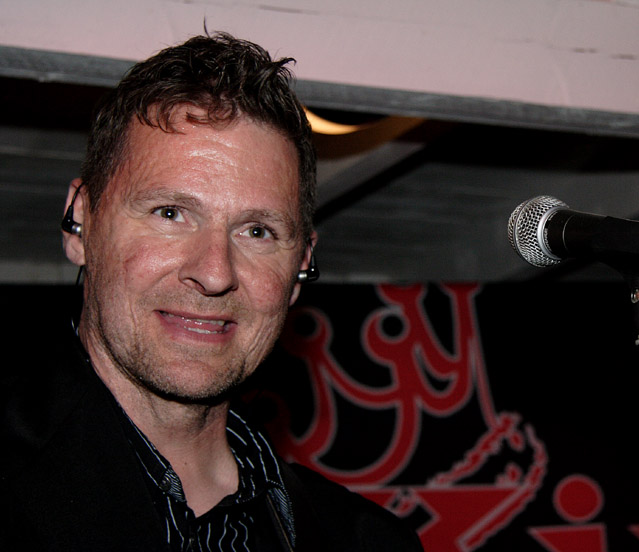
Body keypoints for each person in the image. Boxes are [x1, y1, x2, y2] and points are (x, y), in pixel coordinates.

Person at [0, 33, 423, 552]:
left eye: (257, 231)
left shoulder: (371, 543)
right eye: (170, 213)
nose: (215, 273)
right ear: (80, 221)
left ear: (301, 264)